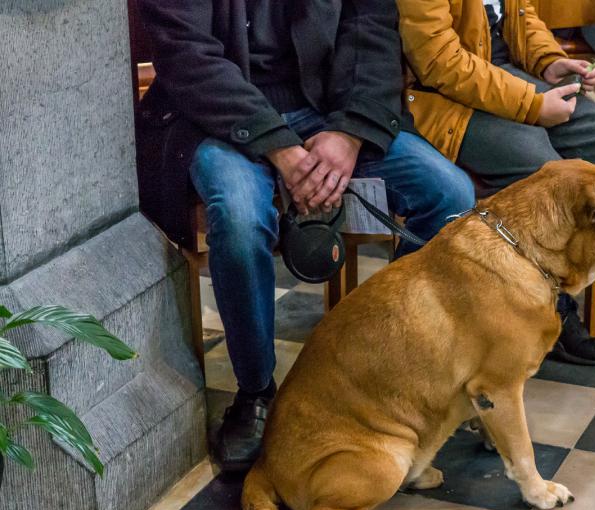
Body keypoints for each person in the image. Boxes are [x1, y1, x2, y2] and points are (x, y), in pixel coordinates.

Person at [135, 0, 475, 470]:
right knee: (238, 217)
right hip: (216, 118)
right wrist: (278, 146)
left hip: (326, 111)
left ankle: (390, 376)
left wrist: (350, 134)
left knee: (450, 194)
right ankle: (256, 392)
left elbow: (372, 34)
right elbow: (187, 55)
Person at [396, 0, 595, 366]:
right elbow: (438, 61)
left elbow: (522, 15)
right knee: (539, 162)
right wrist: (532, 105)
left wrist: (549, 61)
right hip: (443, 97)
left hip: (506, 75)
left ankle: (566, 288)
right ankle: (543, 308)